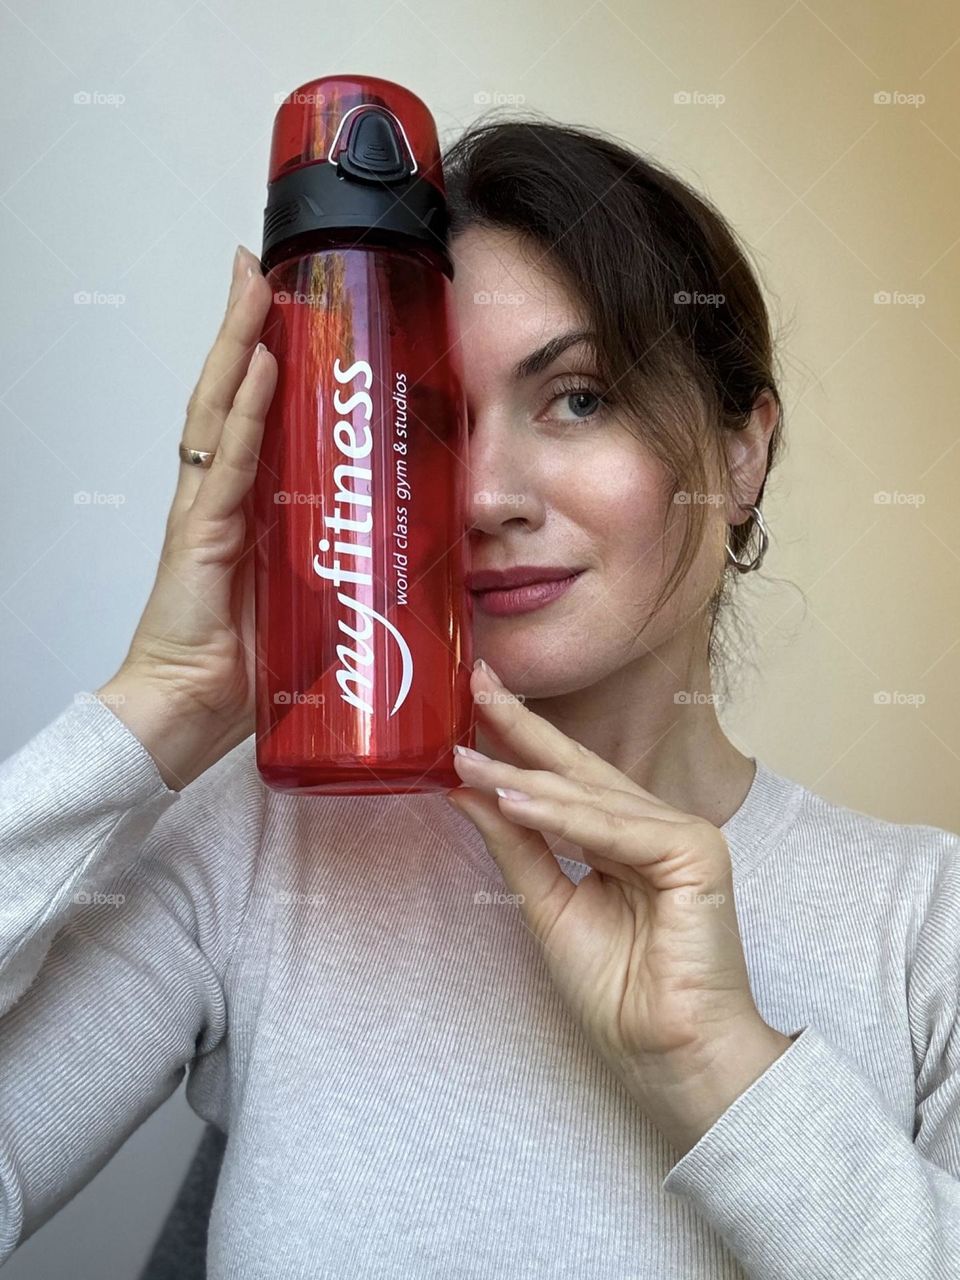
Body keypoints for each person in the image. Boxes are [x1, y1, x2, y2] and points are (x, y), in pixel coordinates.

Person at [2, 116, 959, 1280]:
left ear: (744, 452)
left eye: (581, 397)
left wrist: (722, 1062)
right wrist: (150, 712)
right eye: (433, 420)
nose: (490, 494)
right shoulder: (263, 844)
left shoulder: (924, 925)